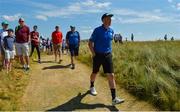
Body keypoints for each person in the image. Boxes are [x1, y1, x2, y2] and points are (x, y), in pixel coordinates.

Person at [88, 13, 125, 105]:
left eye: (111, 19)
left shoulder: (111, 31)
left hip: (108, 55)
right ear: (103, 20)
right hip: (98, 55)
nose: (110, 20)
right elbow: (90, 43)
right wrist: (93, 53)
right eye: (108, 19)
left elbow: (110, 42)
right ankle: (92, 86)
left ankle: (114, 98)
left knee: (111, 75)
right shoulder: (97, 30)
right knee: (95, 72)